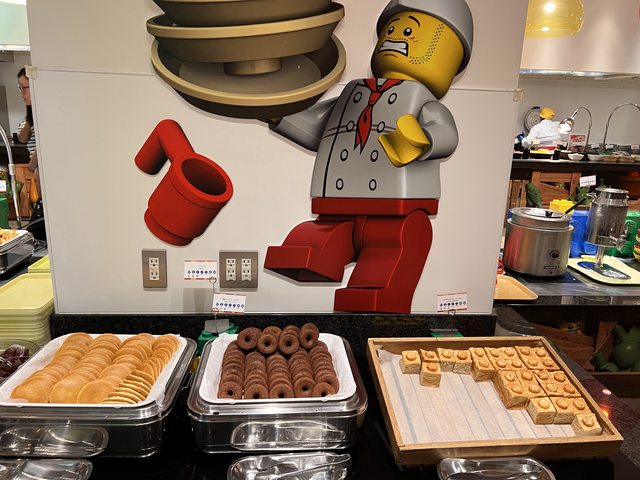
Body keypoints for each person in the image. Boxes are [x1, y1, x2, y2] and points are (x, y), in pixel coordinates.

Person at [264, 0, 473, 313]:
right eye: (391, 30)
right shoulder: (354, 93)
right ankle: (314, 256)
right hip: (337, 207)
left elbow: (445, 133)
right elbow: (317, 130)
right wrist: (278, 114)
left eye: (408, 32)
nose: (395, 37)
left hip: (397, 216)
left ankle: (371, 297)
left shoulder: (422, 101)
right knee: (308, 245)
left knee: (380, 277)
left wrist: (424, 140)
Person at [16, 66, 42, 204]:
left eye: (24, 87)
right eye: (20, 88)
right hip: (39, 173)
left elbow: (44, 147)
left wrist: (31, 166)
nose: (22, 94)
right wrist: (30, 118)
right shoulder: (33, 115)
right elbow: (22, 139)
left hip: (41, 171)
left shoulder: (45, 114)